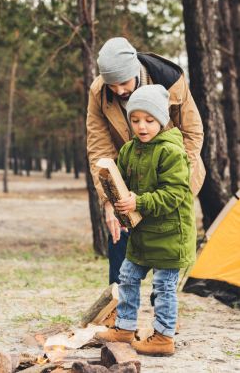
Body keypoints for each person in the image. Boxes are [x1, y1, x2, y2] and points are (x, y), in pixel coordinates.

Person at [87, 36, 204, 285]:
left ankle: (164, 318)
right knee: (121, 242)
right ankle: (118, 315)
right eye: (112, 85)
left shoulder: (170, 81)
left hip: (171, 174)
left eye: (123, 83)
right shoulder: (99, 91)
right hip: (128, 176)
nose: (118, 90)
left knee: (166, 253)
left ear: (135, 72)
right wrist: (110, 199)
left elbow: (192, 134)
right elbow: (99, 149)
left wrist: (178, 181)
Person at [94, 84, 196, 356]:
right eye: (135, 119)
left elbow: (174, 194)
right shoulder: (128, 151)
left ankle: (163, 336)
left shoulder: (172, 152)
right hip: (142, 233)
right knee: (126, 275)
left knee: (163, 286)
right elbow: (123, 187)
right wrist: (115, 196)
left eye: (149, 120)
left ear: (161, 120)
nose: (142, 126)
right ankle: (125, 327)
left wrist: (138, 201)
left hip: (170, 234)